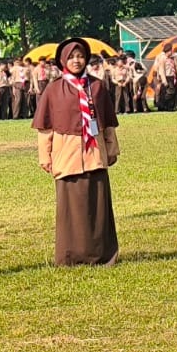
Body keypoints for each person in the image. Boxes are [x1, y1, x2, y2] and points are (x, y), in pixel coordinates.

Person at [33, 38, 121, 266]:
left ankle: (103, 255)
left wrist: (111, 149)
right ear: (63, 60)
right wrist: (45, 156)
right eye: (71, 56)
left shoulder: (98, 87)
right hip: (67, 155)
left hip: (94, 153)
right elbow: (45, 128)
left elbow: (108, 123)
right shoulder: (53, 89)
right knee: (71, 208)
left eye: (80, 56)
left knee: (98, 205)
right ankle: (71, 256)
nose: (76, 60)